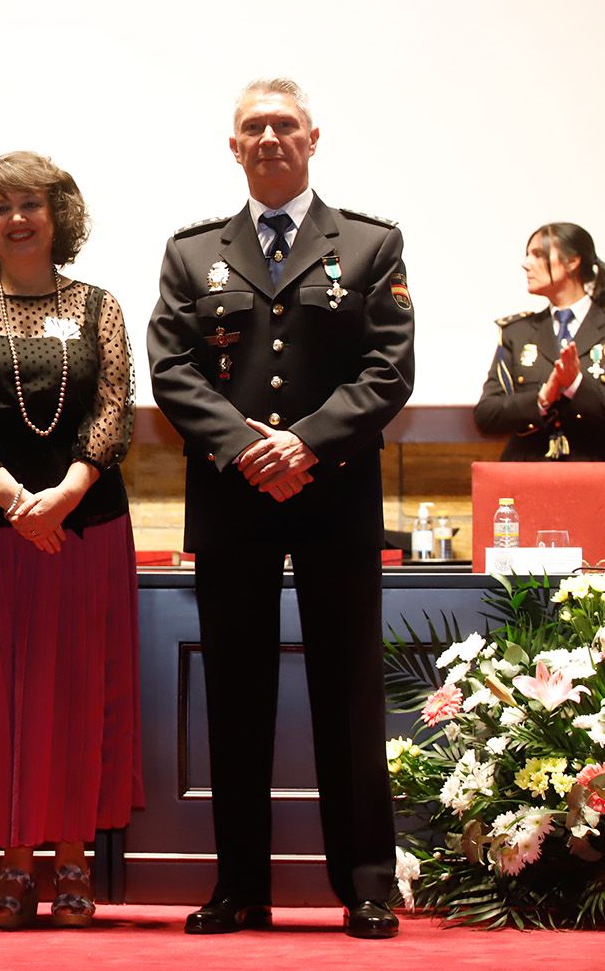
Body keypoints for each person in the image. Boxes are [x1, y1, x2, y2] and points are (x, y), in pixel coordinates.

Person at [146, 78, 414, 939]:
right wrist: (247, 447)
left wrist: (302, 443)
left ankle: (367, 884)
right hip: (234, 498)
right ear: (233, 146)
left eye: (283, 125)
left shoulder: (370, 244)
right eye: (252, 127)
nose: (269, 137)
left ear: (313, 137)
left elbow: (389, 368)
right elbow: (172, 368)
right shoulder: (193, 253)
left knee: (347, 690)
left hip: (334, 494)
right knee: (237, 691)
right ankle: (239, 887)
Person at [0, 151, 141, 930]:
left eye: (31, 203)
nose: (16, 217)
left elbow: (116, 406)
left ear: (58, 214)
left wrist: (66, 492)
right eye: (1, 205)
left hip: (83, 524)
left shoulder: (99, 304)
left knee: (78, 688)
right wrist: (11, 496)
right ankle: (13, 858)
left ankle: (72, 855)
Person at [474, 222, 605, 460]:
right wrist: (542, 398)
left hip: (599, 474)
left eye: (538, 254)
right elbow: (487, 416)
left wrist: (576, 386)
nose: (526, 264)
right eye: (527, 255)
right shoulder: (517, 332)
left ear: (572, 261)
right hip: (530, 473)